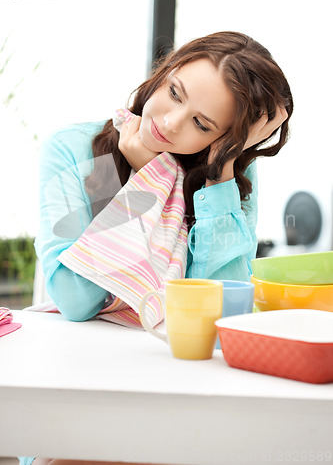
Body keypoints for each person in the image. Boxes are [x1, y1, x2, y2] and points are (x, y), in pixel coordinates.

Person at [20, 31, 293, 465]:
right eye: (174, 93)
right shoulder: (73, 148)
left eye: (202, 124)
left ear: (224, 140)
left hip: (181, 381)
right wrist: (141, 189)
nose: (169, 123)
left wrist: (219, 175)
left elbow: (220, 306)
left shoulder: (229, 178)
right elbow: (75, 299)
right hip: (82, 377)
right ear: (165, 72)